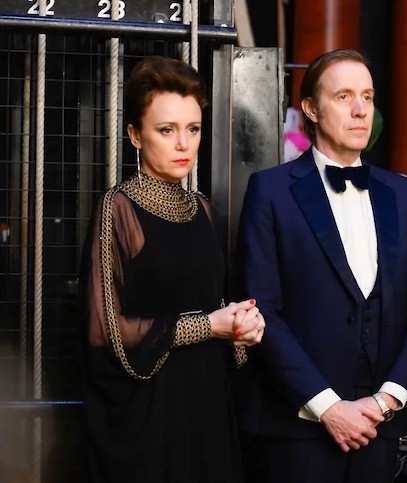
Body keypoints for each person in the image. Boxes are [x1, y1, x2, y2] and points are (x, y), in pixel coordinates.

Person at [236, 49, 407, 483]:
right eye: (344, 96)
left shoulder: (402, 194)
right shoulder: (270, 191)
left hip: (380, 426)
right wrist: (327, 406)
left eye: (367, 96)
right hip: (294, 428)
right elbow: (261, 309)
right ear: (311, 108)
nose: (361, 109)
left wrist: (386, 400)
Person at [81, 56, 265, 483]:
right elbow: (103, 331)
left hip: (208, 406)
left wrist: (241, 328)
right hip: (150, 414)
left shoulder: (202, 208)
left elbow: (212, 302)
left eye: (193, 129)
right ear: (135, 135)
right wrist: (209, 326)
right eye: (167, 130)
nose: (183, 144)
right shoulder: (118, 208)